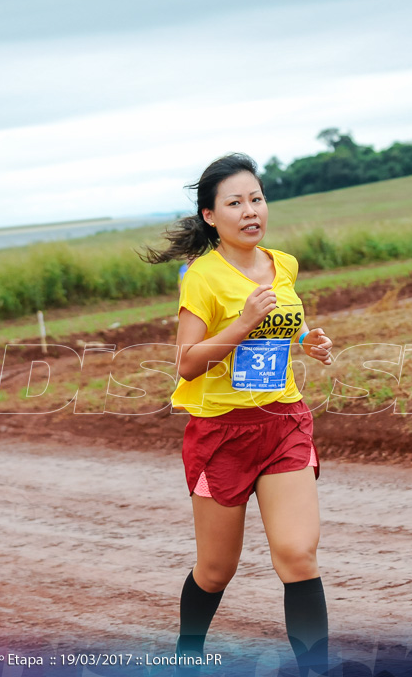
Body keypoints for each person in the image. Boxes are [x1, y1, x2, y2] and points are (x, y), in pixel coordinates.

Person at [141, 154, 334, 677]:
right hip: (221, 434)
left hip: (283, 423)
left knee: (298, 556)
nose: (251, 211)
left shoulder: (283, 264)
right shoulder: (202, 278)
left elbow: (282, 322)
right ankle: (188, 654)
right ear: (210, 216)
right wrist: (243, 323)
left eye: (257, 198)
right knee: (215, 569)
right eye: (235, 202)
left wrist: (307, 341)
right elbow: (186, 364)